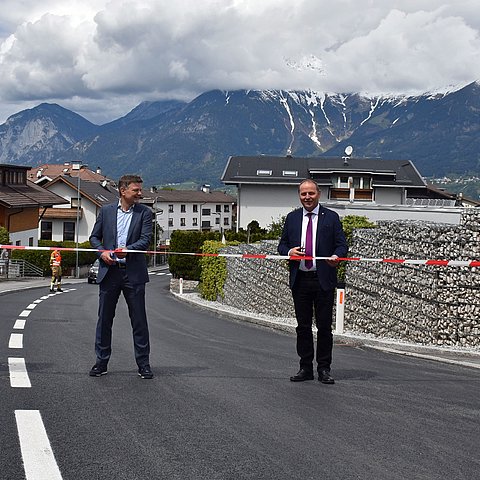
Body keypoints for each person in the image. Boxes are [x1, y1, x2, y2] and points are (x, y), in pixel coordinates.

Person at [278, 179, 347, 384]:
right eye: (303, 194)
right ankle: (305, 367)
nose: (307, 197)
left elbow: (342, 246)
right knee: (303, 326)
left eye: (311, 193)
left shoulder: (331, 218)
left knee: (324, 327)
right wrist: (289, 251)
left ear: (319, 194)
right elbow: (282, 245)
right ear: (299, 196)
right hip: (300, 280)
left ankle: (324, 369)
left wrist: (337, 257)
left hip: (323, 280)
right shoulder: (291, 218)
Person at [89, 174, 154, 379]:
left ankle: (143, 364)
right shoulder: (106, 211)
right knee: (104, 320)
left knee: (139, 321)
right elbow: (93, 237)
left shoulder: (145, 213)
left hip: (133, 273)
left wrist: (129, 250)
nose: (139, 194)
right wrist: (102, 252)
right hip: (110, 274)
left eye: (139, 190)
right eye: (136, 190)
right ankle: (101, 362)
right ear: (123, 191)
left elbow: (145, 240)